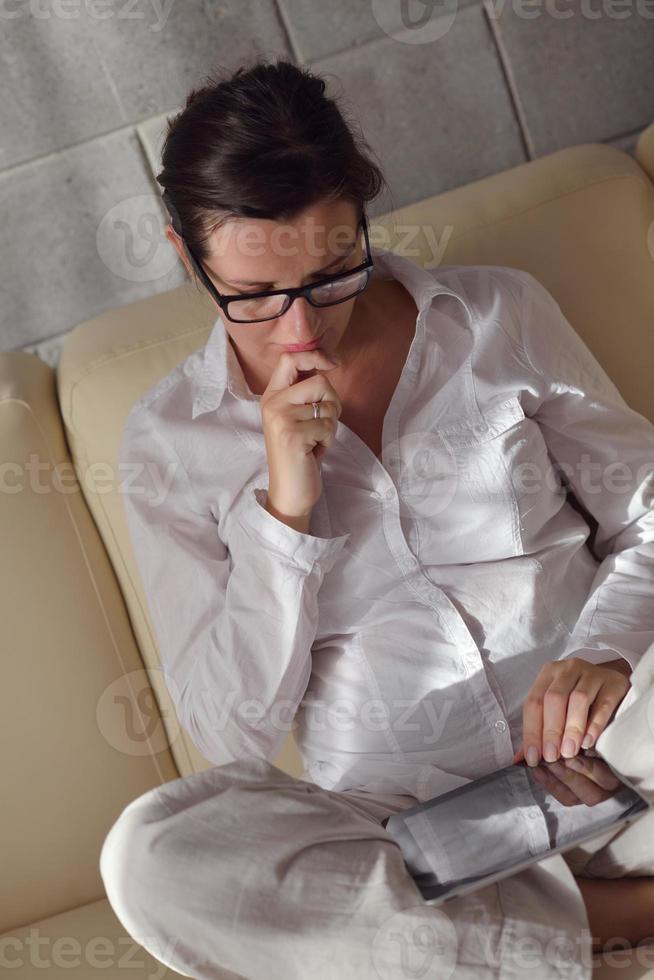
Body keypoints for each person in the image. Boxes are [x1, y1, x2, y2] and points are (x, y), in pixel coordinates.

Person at [100, 59, 654, 979]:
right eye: (253, 298)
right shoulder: (168, 441)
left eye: (330, 275)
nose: (299, 332)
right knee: (152, 856)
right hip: (406, 837)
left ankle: (527, 939)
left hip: (617, 746)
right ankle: (607, 922)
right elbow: (229, 735)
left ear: (363, 217)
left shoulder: (497, 314)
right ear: (184, 253)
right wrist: (284, 510)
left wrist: (603, 650)